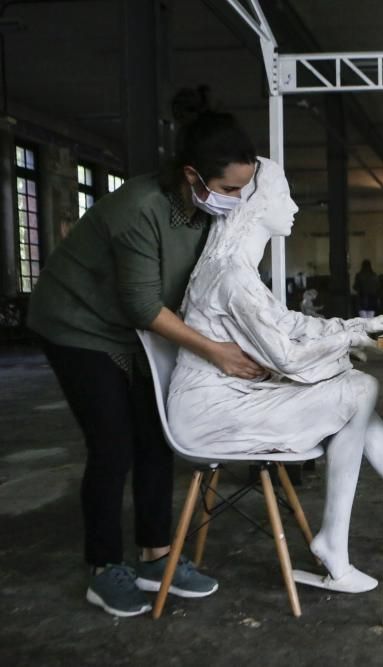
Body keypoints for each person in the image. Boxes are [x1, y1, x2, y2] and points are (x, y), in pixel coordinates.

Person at [168, 157, 383, 593]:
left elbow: (290, 325)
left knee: (359, 402)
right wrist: (350, 340)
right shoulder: (232, 277)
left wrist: (356, 329)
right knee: (359, 389)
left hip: (230, 399)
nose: (294, 206)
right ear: (256, 206)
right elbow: (288, 357)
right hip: (211, 413)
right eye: (284, 195)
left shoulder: (236, 273)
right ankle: (339, 542)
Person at [27, 107, 262, 617]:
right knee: (113, 444)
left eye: (244, 188)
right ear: (192, 175)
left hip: (139, 329)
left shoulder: (209, 213)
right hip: (80, 324)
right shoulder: (140, 208)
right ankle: (104, 566)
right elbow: (141, 305)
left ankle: (157, 556)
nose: (236, 199)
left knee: (155, 436)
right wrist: (216, 351)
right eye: (228, 188)